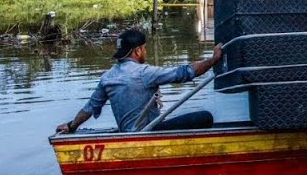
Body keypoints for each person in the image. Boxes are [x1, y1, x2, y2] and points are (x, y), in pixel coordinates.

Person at [57, 29, 223, 134]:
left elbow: (89, 108)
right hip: (149, 132)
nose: (145, 51)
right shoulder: (144, 73)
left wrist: (71, 126)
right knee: (205, 117)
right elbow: (185, 73)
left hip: (127, 132)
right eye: (144, 48)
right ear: (137, 51)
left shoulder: (107, 77)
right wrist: (213, 59)